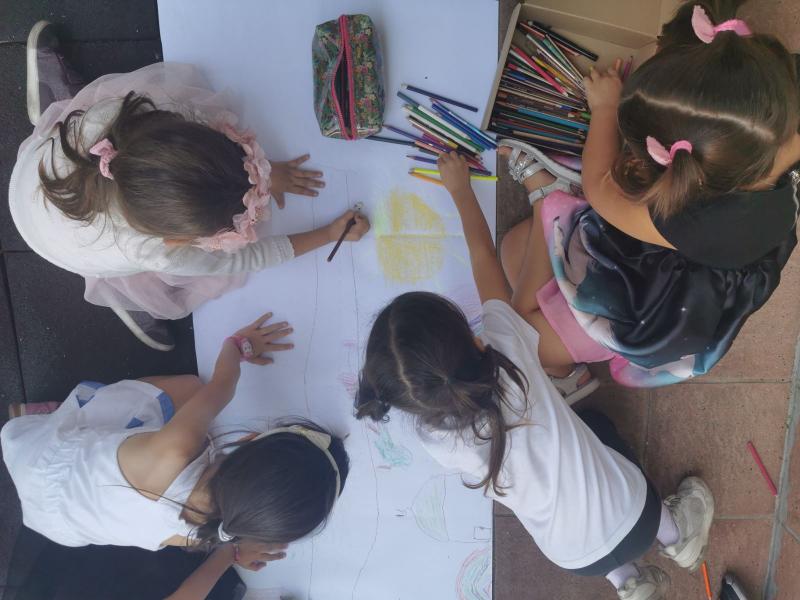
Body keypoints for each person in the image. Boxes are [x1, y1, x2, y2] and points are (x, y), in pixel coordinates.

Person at [354, 152, 714, 600]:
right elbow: (484, 258)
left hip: (573, 558)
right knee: (597, 427)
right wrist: (463, 191)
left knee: (584, 473)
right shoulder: (506, 352)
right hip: (636, 516)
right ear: (471, 340)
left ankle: (628, 582)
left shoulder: (434, 438)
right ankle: (677, 534)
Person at [10, 22, 369, 351]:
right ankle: (130, 299)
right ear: (178, 239)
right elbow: (250, 257)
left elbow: (202, 171)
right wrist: (327, 234)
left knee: (77, 118)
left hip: (42, 175)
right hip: (65, 236)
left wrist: (263, 174)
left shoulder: (116, 121)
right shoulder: (157, 251)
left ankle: (60, 104)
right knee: (157, 282)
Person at [498, 0, 800, 386]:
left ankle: (608, 348)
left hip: (660, 308)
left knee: (523, 248)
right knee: (516, 248)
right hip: (735, 258)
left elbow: (598, 186)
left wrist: (605, 108)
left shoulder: (681, 221)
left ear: (677, 164)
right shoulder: (786, 136)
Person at [1, 312, 349, 600]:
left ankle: (54, 415)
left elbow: (223, 381)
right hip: (58, 527)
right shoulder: (209, 533)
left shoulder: (178, 447)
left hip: (40, 465)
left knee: (190, 388)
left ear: (251, 438)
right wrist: (233, 554)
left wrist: (239, 344)